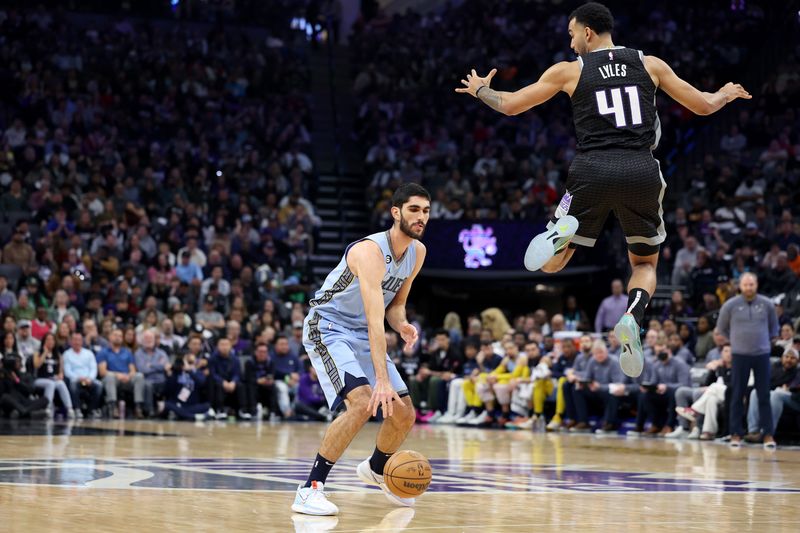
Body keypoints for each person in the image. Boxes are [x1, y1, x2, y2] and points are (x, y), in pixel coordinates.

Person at [456, 1, 751, 379]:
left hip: (590, 171)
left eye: (572, 34)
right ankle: (633, 315)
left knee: (551, 265)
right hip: (641, 170)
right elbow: (705, 106)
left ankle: (561, 232)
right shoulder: (650, 64)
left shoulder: (570, 70)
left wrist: (482, 90)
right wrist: (725, 92)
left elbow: (511, 105)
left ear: (588, 32)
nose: (571, 42)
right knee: (644, 264)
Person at [292, 184, 429, 516]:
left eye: (425, 210)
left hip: (361, 331)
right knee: (362, 403)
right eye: (414, 209)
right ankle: (310, 489)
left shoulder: (417, 252)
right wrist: (381, 378)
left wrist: (403, 325)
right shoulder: (369, 251)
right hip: (329, 326)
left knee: (404, 414)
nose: (421, 217)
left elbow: (394, 307)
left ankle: (377, 468)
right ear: (396, 212)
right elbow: (372, 319)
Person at [716, 273, 779, 447]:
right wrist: (735, 341)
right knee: (737, 394)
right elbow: (721, 328)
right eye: (745, 284)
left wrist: (765, 342)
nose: (749, 287)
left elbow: (774, 329)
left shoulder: (767, 304)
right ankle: (736, 433)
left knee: (764, 395)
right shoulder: (730, 305)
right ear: (740, 286)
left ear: (756, 285)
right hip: (739, 355)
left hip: (761, 355)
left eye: (751, 284)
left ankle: (768, 434)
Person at [32, 333, 75, 419]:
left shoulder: (58, 355)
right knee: (50, 384)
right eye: (48, 339)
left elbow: (61, 372)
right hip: (40, 379)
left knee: (61, 383)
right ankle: (47, 408)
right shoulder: (38, 353)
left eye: (52, 340)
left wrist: (60, 375)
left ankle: (69, 409)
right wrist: (44, 352)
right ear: (44, 341)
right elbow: (36, 365)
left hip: (53, 379)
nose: (50, 342)